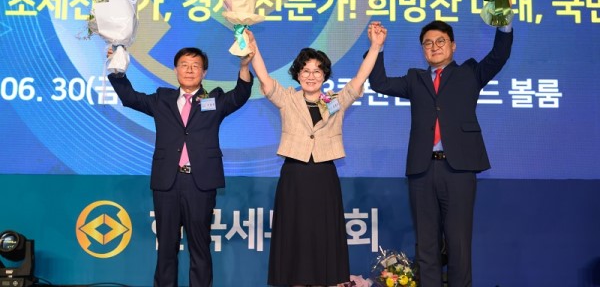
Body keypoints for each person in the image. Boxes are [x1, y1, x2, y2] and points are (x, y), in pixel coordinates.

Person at [368, 20, 513, 287]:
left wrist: (504, 26)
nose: (434, 47)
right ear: (422, 50)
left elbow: (499, 55)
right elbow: (379, 83)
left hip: (458, 170)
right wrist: (377, 47)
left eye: (440, 41)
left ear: (453, 45)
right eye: (428, 43)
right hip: (422, 171)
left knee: (458, 244)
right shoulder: (415, 79)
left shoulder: (470, 73)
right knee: (426, 246)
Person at [245, 25, 386, 287]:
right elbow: (264, 78)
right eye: (306, 71)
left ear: (324, 75)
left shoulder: (334, 101)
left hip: (323, 175)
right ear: (297, 74)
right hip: (295, 175)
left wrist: (376, 47)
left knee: (322, 237)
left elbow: (358, 80)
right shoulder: (288, 99)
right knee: (295, 236)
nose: (311, 76)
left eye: (317, 71)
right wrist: (252, 47)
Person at [107, 47, 254, 287]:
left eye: (195, 66)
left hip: (200, 184)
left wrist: (244, 66)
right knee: (166, 247)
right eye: (184, 65)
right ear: (175, 70)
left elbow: (240, 94)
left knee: (200, 247)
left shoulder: (214, 100)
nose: (189, 70)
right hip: (168, 182)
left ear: (204, 73)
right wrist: (117, 68)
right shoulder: (162, 99)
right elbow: (130, 98)